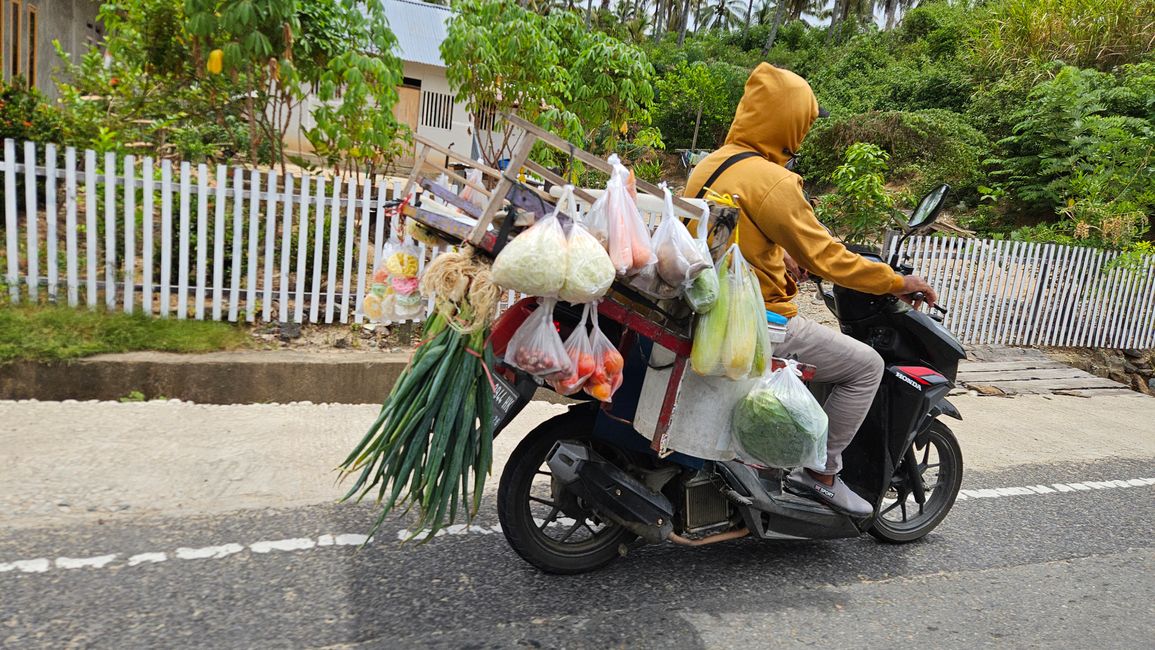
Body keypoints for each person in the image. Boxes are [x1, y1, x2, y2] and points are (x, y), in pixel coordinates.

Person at [684, 63, 938, 517]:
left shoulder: (713, 163)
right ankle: (821, 472)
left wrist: (779, 254)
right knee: (867, 366)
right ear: (789, 121)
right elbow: (829, 258)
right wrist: (899, 282)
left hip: (712, 304)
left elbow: (729, 231)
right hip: (760, 319)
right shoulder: (773, 180)